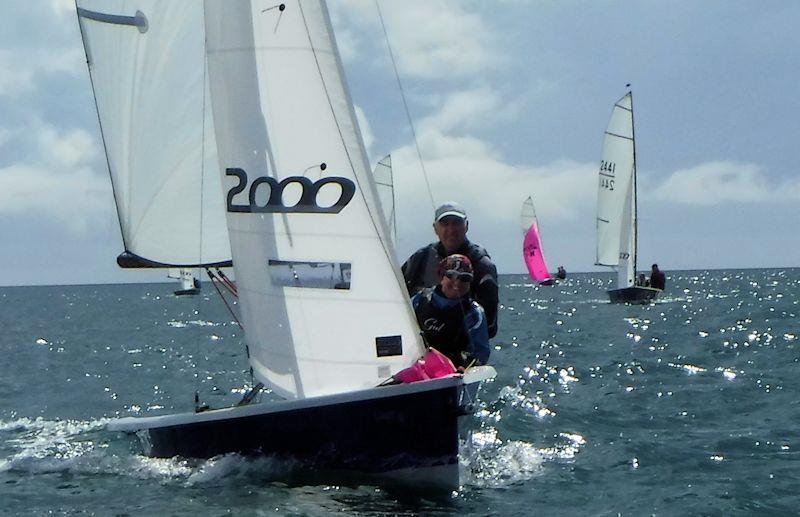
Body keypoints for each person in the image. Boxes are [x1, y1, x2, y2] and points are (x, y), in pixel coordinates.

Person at [402, 202, 499, 338]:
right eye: (445, 223)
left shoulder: (482, 264)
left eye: (457, 223)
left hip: (463, 350)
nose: (451, 229)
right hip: (420, 348)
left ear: (466, 226)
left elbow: (489, 326)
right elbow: (396, 297)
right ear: (435, 228)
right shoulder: (420, 259)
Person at [411, 254, 490, 369]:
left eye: (464, 278)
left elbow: (480, 353)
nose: (457, 282)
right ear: (441, 277)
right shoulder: (418, 301)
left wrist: (466, 368)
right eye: (451, 275)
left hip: (453, 375)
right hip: (418, 368)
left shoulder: (474, 313)